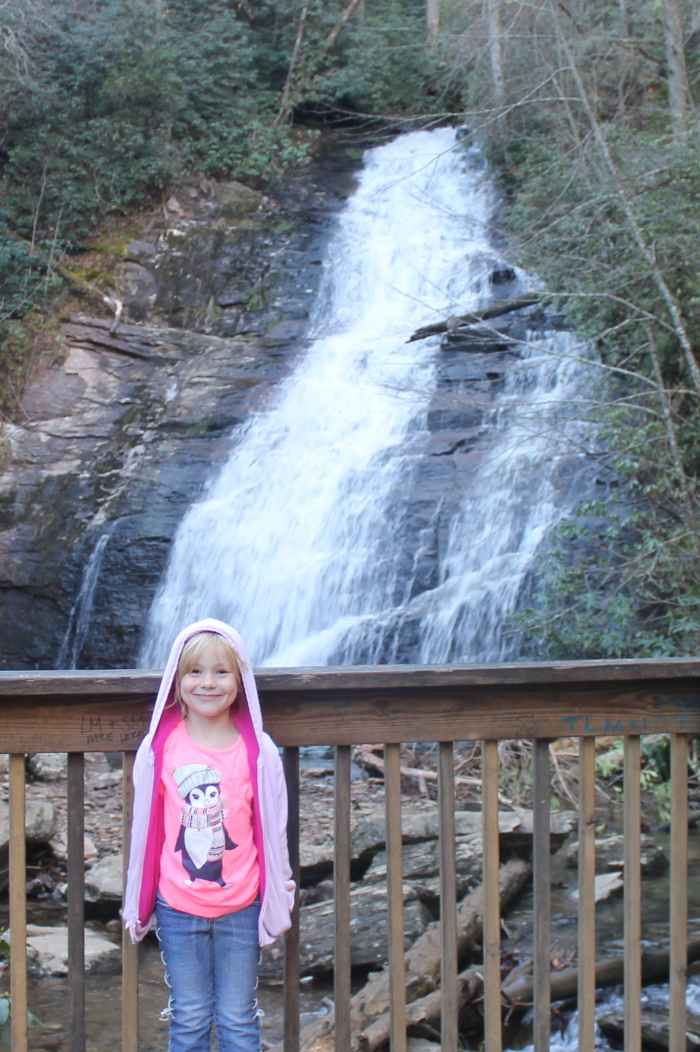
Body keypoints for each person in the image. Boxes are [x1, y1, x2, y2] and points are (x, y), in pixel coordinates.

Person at [123, 618, 295, 1052]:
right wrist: (137, 901)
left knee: (238, 1019)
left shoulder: (259, 751)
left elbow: (274, 830)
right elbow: (148, 829)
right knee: (190, 1017)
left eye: (221, 672)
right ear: (177, 681)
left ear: (240, 681)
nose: (208, 683)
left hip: (240, 904)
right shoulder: (160, 749)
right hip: (178, 907)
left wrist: (280, 892)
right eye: (195, 672)